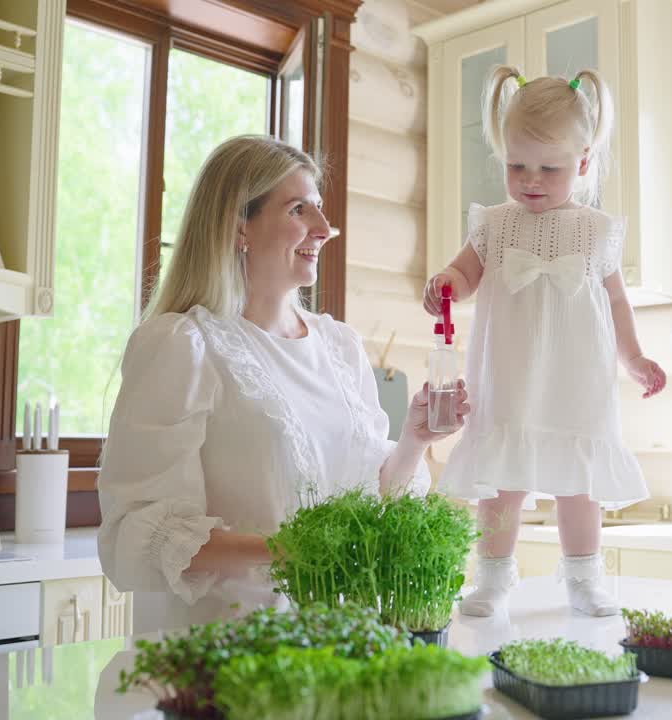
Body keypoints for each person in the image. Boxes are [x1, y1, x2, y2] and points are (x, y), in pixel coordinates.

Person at [98, 135, 468, 633]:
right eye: (299, 209)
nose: (324, 228)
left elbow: (372, 497)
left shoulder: (339, 347)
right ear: (238, 227)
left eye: (319, 208)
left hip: (335, 645)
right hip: (223, 657)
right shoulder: (183, 345)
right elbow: (144, 532)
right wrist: (294, 551)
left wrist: (414, 440)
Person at [425, 68, 665, 618]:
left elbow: (618, 302)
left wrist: (633, 358)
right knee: (502, 488)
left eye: (549, 168)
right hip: (510, 376)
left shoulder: (597, 230)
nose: (531, 179)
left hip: (575, 380)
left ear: (582, 164)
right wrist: (445, 284)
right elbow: (463, 273)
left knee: (578, 488)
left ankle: (583, 579)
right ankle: (492, 578)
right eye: (516, 165)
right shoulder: (494, 224)